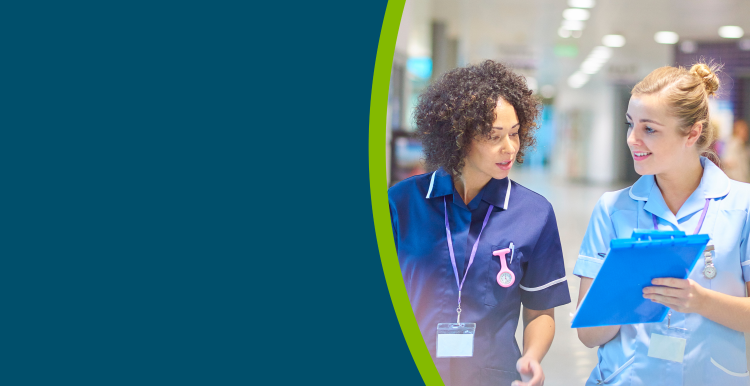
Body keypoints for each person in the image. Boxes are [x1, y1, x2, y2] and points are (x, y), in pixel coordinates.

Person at [388, 60, 571, 386]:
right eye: (493, 136)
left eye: (514, 134)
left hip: (493, 375)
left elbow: (540, 310)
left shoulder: (534, 213)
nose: (509, 148)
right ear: (458, 136)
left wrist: (532, 356)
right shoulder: (401, 203)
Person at [574, 63, 750, 386]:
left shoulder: (743, 207)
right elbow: (588, 334)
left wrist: (699, 301)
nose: (631, 139)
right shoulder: (612, 210)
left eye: (649, 129)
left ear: (693, 133)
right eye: (630, 125)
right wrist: (620, 290)